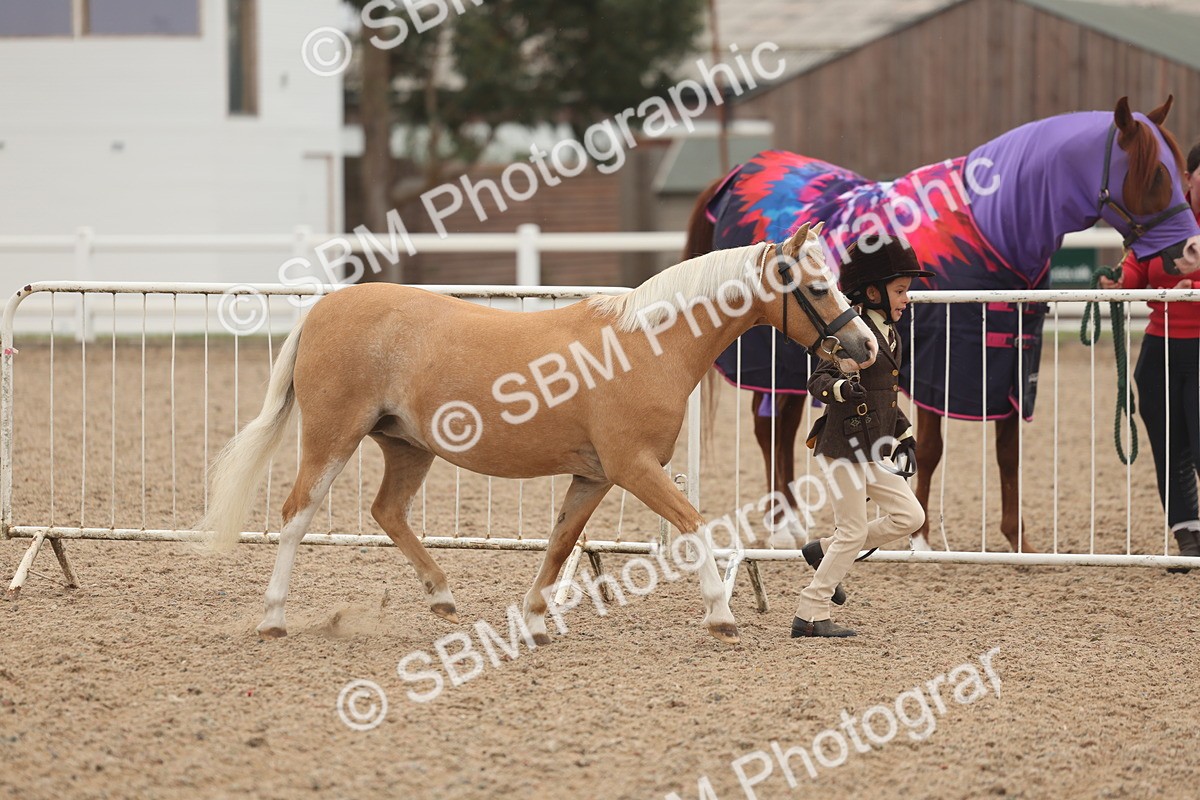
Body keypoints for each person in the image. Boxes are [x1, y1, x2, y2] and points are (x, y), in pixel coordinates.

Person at [793, 236, 930, 638]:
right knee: (852, 532)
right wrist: (839, 389)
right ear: (873, 292)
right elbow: (818, 379)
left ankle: (823, 550)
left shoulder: (891, 334)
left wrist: (902, 432)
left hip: (871, 450)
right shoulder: (849, 331)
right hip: (840, 447)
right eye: (900, 291)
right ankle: (811, 612)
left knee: (911, 516)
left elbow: (886, 393)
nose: (907, 299)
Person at [1103, 141, 1200, 565]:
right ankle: (1186, 532)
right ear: (1188, 180)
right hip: (1158, 349)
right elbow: (1135, 268)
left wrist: (1191, 291)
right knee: (1169, 445)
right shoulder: (1162, 224)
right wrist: (1117, 281)